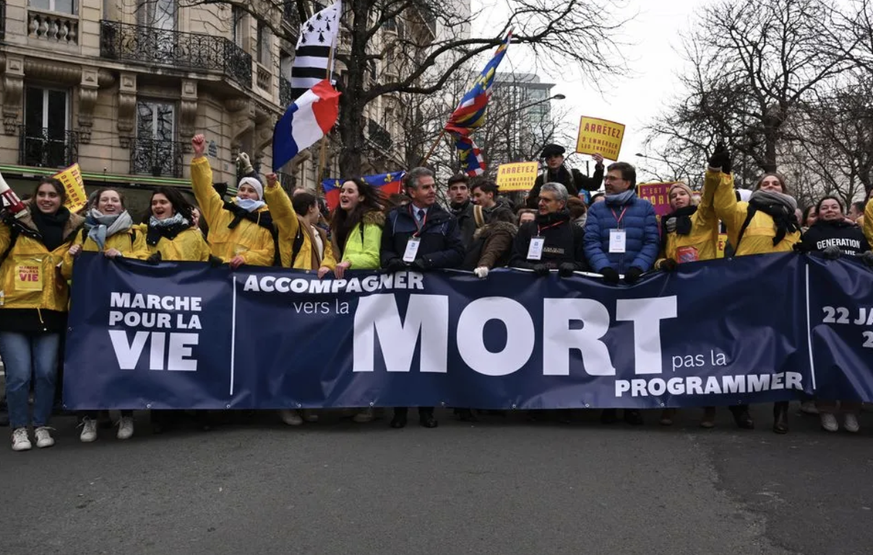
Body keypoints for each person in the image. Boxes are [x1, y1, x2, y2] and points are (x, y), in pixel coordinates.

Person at [712, 156, 800, 434]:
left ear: (783, 189)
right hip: (748, 291)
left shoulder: (793, 221)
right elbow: (721, 206)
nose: (771, 185)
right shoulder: (744, 210)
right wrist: (724, 175)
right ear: (759, 188)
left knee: (784, 352)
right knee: (745, 349)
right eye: (766, 182)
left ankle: (781, 411)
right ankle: (740, 405)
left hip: (783, 294)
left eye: (776, 183)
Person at [0, 178, 83, 451]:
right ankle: (19, 428)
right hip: (13, 310)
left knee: (47, 373)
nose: (47, 199)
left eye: (53, 195)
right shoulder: (13, 224)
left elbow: (70, 271)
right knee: (19, 375)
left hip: (51, 311)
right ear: (34, 197)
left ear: (61, 199)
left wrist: (73, 256)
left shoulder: (74, 229)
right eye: (42, 194)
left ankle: (41, 425)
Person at [381, 167, 465, 429]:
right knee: (400, 352)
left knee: (429, 353)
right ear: (412, 191)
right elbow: (383, 250)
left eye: (432, 187)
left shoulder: (445, 219)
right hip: (400, 294)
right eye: (426, 187)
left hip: (432, 292)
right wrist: (392, 261)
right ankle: (399, 410)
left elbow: (457, 251)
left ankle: (427, 409)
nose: (432, 191)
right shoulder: (395, 217)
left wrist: (427, 261)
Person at [64, 187, 147, 442]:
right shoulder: (84, 231)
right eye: (104, 200)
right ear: (96, 204)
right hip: (90, 308)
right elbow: (67, 272)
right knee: (90, 363)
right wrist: (71, 257)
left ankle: (126, 415)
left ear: (122, 206)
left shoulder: (134, 233)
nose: (109, 204)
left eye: (114, 200)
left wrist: (124, 256)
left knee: (123, 363)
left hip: (123, 308)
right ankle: (89, 419)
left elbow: (145, 261)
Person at [584, 162, 659, 426]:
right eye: (606, 177)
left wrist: (640, 266)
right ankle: (607, 401)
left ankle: (632, 404)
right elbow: (590, 241)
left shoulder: (645, 208)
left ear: (627, 183)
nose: (607, 182)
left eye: (612, 178)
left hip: (637, 285)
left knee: (633, 347)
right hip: (605, 284)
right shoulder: (596, 208)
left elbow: (652, 241)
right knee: (606, 346)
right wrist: (602, 267)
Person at [328, 177, 386, 423]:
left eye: (350, 191)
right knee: (349, 350)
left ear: (361, 197)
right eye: (342, 190)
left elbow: (373, 258)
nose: (344, 194)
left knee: (367, 350)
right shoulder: (337, 221)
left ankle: (370, 403)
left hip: (367, 292)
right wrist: (326, 266)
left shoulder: (369, 221)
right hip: (347, 292)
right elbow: (331, 254)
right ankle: (353, 399)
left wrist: (350, 263)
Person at [190, 134, 276, 269]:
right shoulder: (221, 211)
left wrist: (245, 258)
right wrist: (199, 157)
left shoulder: (263, 220)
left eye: (251, 191)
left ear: (259, 197)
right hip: (215, 276)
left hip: (242, 282)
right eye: (242, 189)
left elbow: (268, 255)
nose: (245, 193)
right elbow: (204, 190)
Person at [512, 182, 588, 277]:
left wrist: (573, 266)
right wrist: (531, 267)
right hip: (531, 287)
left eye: (546, 200)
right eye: (540, 199)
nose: (540, 203)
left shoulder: (576, 231)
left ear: (561, 204)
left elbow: (584, 264)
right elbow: (514, 260)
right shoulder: (527, 228)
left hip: (564, 288)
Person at [526, 145, 604, 208]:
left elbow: (594, 185)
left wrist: (599, 166)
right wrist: (548, 200)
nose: (553, 159)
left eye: (556, 156)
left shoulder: (574, 174)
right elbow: (531, 201)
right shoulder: (541, 179)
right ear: (546, 161)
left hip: (572, 217)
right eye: (549, 157)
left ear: (562, 158)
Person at [448, 173, 477, 249]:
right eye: (454, 188)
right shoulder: (445, 217)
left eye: (463, 188)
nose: (459, 192)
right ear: (448, 193)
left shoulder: (479, 213)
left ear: (469, 192)